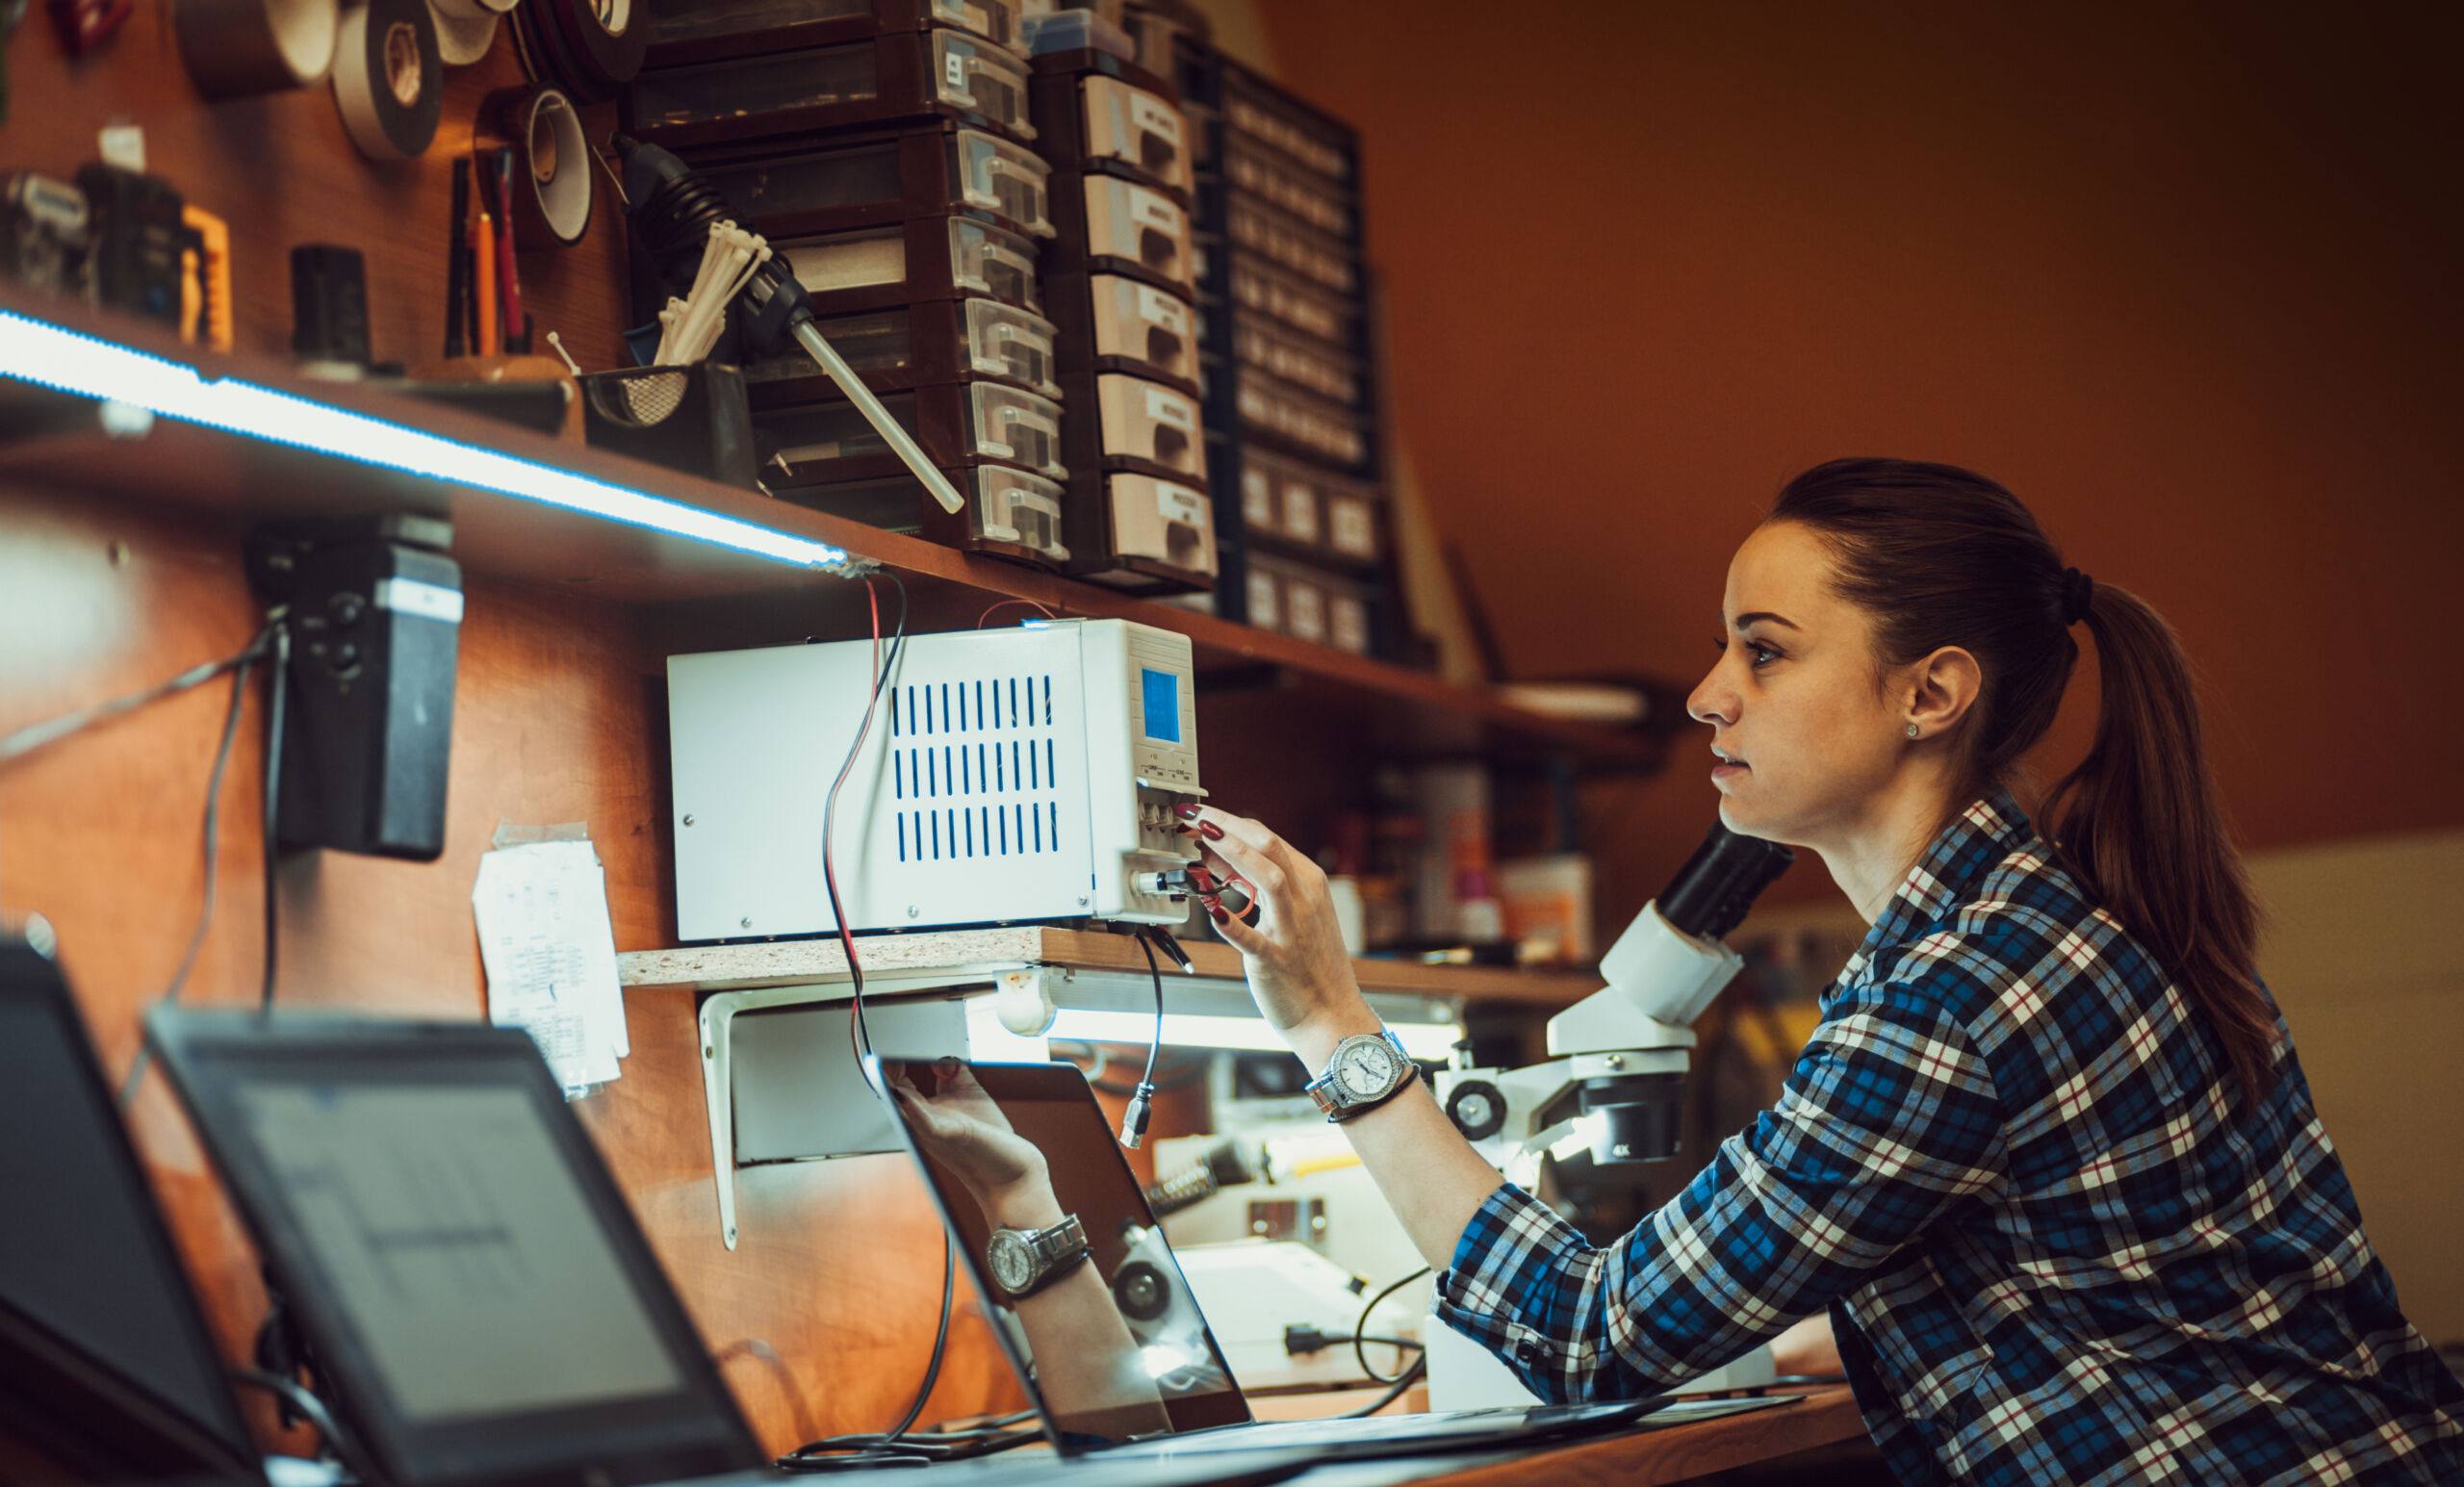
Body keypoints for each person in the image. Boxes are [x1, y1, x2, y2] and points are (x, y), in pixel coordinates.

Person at [1180, 459, 2463, 1485]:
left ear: (1931, 692)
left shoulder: (1953, 992)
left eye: (1765, 650)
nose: (1706, 695)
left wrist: (1331, 1023)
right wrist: (1871, 1330)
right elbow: (2103, 1280)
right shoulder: (2044, 913)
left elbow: (1589, 1331)